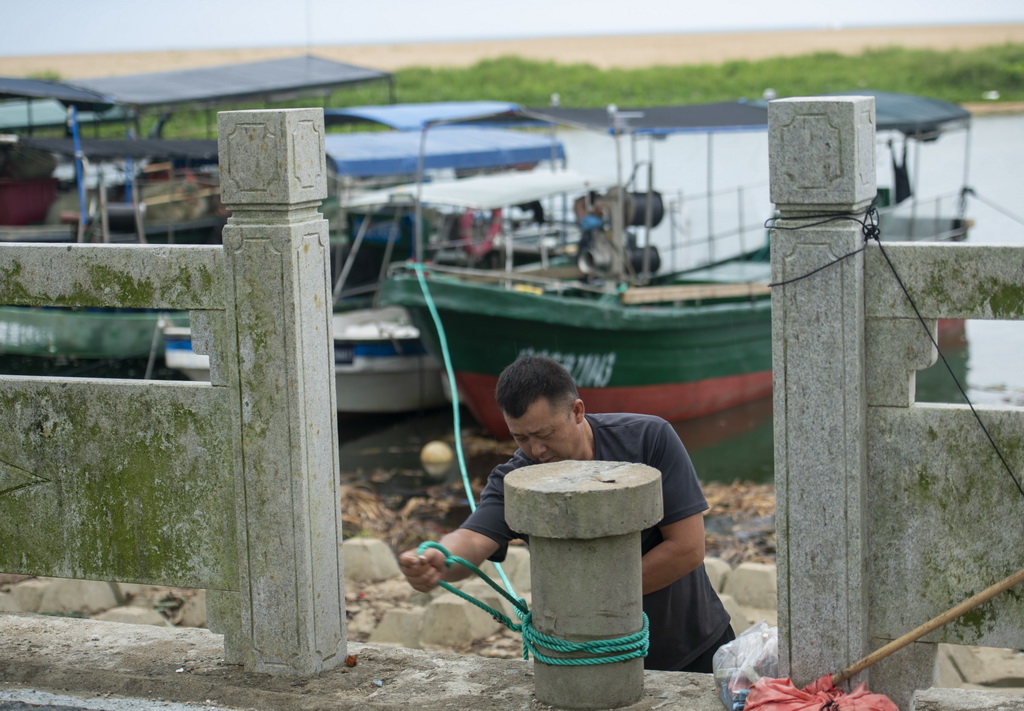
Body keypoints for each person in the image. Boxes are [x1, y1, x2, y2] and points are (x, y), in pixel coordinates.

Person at [398, 355, 734, 672]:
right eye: (521, 438)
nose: (536, 450)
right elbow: (471, 538)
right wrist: (439, 562)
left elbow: (687, 549)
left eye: (545, 434)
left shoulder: (648, 439)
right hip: (584, 662)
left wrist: (586, 597)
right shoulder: (515, 480)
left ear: (576, 411)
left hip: (692, 645)